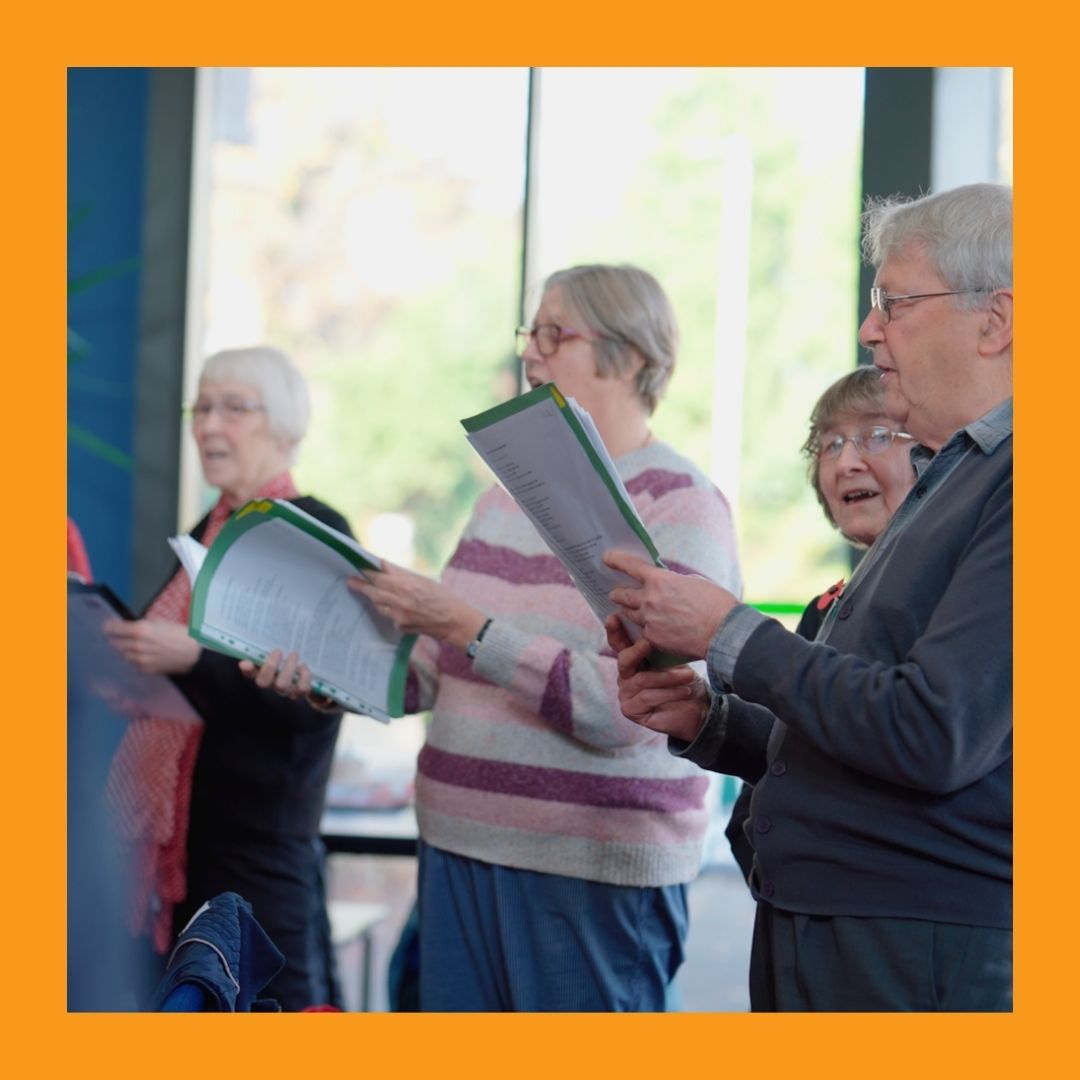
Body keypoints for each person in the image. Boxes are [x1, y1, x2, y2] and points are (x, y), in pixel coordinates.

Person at [253, 264, 744, 1011]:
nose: (531, 353)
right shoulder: (499, 502)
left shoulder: (683, 506)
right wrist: (326, 675)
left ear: (633, 357)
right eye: (530, 333)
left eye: (555, 333)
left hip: (589, 875)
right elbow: (436, 669)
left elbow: (629, 710)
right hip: (457, 853)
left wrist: (465, 625)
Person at [606, 183, 1013, 1011]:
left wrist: (730, 634)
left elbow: (933, 731)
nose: (869, 331)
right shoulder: (953, 477)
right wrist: (710, 719)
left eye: (894, 303)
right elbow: (861, 735)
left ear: (995, 320)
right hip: (839, 924)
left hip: (910, 943)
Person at [104, 345, 351, 1011]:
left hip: (258, 857)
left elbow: (316, 702)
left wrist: (188, 658)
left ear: (286, 429)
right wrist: (133, 673)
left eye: (233, 408)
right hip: (186, 851)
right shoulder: (208, 529)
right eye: (202, 407)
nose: (210, 425)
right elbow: (194, 681)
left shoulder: (316, 531)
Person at [724, 365, 915, 881]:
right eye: (830, 444)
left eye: (876, 435)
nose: (846, 462)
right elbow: (787, 753)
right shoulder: (823, 608)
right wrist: (706, 720)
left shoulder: (947, 599)